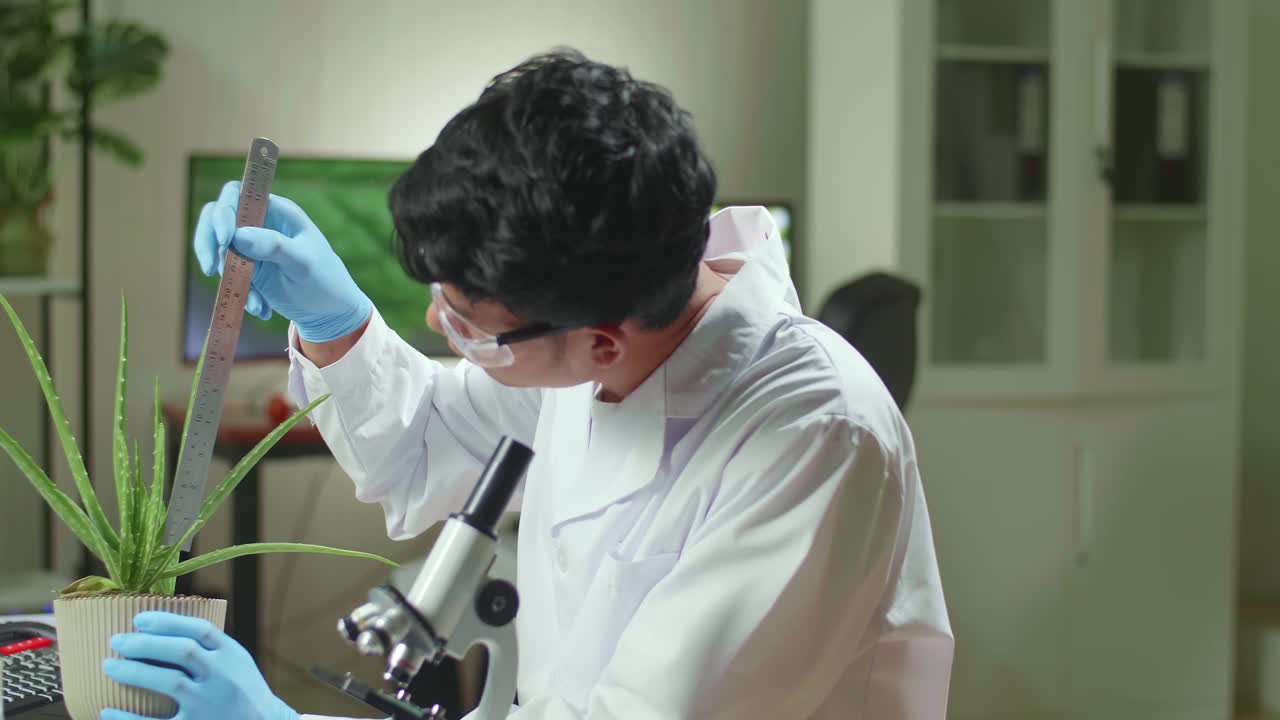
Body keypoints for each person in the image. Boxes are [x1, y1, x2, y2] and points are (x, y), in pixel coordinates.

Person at [100, 49, 954, 720]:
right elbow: (425, 444)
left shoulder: (815, 441)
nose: (438, 327)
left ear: (601, 343)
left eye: (467, 321)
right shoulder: (607, 318)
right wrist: (339, 323)